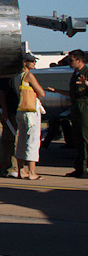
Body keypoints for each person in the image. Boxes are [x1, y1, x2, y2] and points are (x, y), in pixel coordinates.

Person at [50, 49, 88, 178]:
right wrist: (56, 91)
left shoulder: (86, 73)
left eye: (71, 60)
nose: (69, 62)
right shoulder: (75, 74)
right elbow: (72, 93)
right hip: (76, 108)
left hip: (85, 108)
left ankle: (85, 168)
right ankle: (79, 168)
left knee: (84, 138)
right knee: (77, 138)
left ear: (79, 60)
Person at [13, 53, 45, 179]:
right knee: (33, 140)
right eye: (31, 61)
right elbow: (41, 92)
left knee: (21, 140)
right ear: (25, 62)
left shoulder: (16, 76)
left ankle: (22, 170)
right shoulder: (29, 75)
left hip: (21, 110)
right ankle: (32, 172)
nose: (34, 63)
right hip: (31, 110)